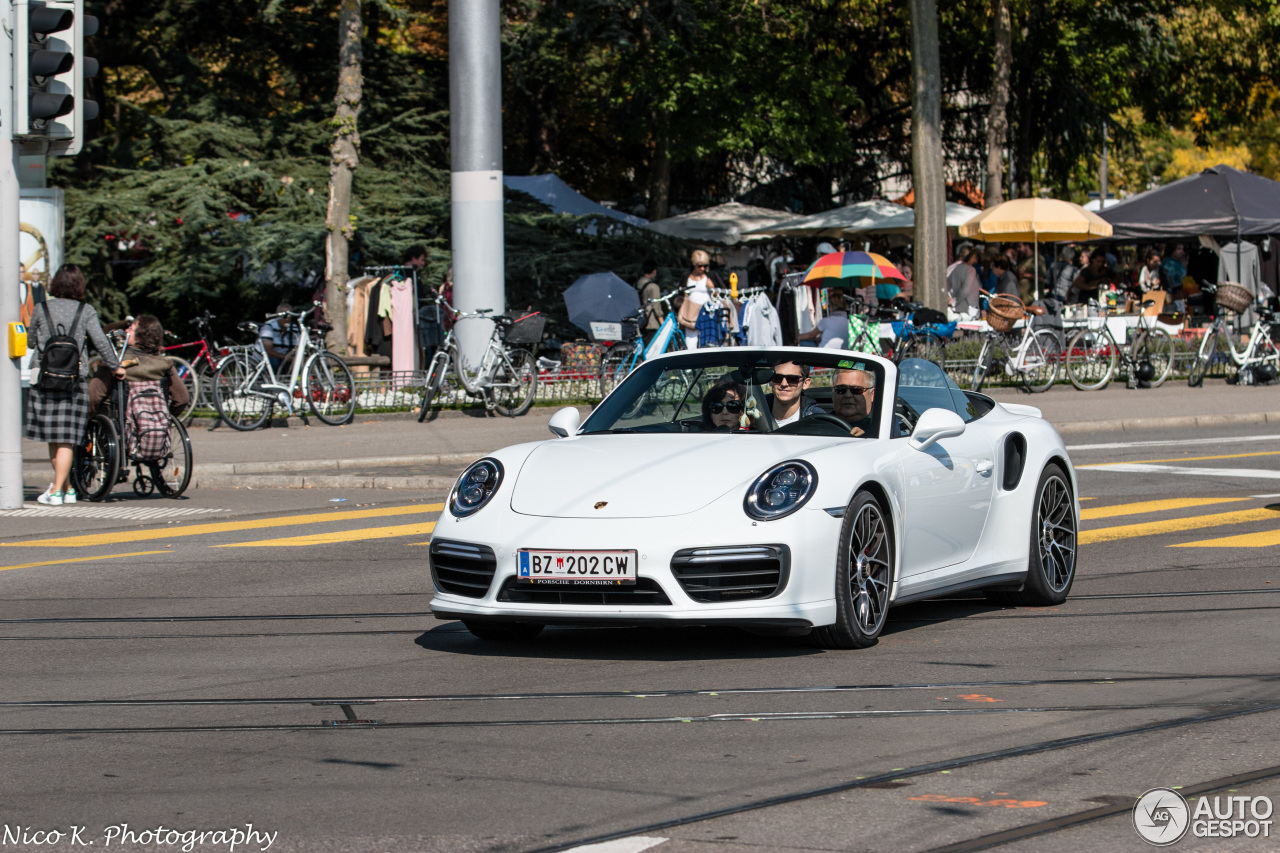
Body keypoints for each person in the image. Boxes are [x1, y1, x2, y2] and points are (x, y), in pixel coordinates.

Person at [24, 264, 123, 506]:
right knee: (66, 438)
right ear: (80, 285)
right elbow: (100, 341)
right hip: (73, 381)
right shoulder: (86, 310)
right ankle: (65, 489)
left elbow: (30, 341)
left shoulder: (41, 308)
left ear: (55, 283)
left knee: (53, 438)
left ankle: (56, 490)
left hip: (45, 380)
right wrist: (115, 366)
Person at [88, 315, 191, 416]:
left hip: (120, 420)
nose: (126, 331)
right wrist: (166, 417)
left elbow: (93, 396)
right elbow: (182, 399)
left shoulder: (115, 360)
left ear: (141, 335)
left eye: (130, 329)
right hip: (156, 422)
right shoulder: (165, 363)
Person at [766, 361, 824, 427]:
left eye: (792, 379)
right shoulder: (754, 416)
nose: (784, 384)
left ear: (805, 383)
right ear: (770, 380)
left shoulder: (818, 419)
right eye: (777, 378)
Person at [680, 249, 718, 349]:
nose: (702, 269)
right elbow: (680, 292)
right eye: (699, 266)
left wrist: (712, 287)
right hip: (691, 313)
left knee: (707, 340)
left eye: (705, 266)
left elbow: (719, 295)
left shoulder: (710, 276)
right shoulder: (686, 277)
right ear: (694, 264)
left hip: (706, 311)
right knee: (690, 341)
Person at [831, 366, 877, 437]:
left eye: (857, 390)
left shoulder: (883, 426)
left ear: (872, 394)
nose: (848, 395)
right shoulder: (820, 424)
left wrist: (866, 435)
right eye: (840, 389)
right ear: (833, 393)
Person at [260, 302, 299, 372]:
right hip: (269, 358)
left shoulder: (293, 328)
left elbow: (297, 346)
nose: (286, 319)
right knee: (274, 362)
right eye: (283, 315)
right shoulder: (269, 326)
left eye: (289, 316)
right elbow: (268, 352)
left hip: (284, 358)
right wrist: (287, 358)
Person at [947, 248, 982, 318]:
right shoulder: (970, 270)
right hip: (968, 309)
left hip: (956, 308)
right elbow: (966, 290)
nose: (976, 261)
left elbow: (947, 285)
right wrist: (955, 301)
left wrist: (952, 300)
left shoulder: (953, 268)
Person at [635, 259, 661, 345]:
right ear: (654, 271)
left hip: (640, 320)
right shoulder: (653, 287)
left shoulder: (637, 284)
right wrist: (662, 322)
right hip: (651, 322)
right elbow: (656, 307)